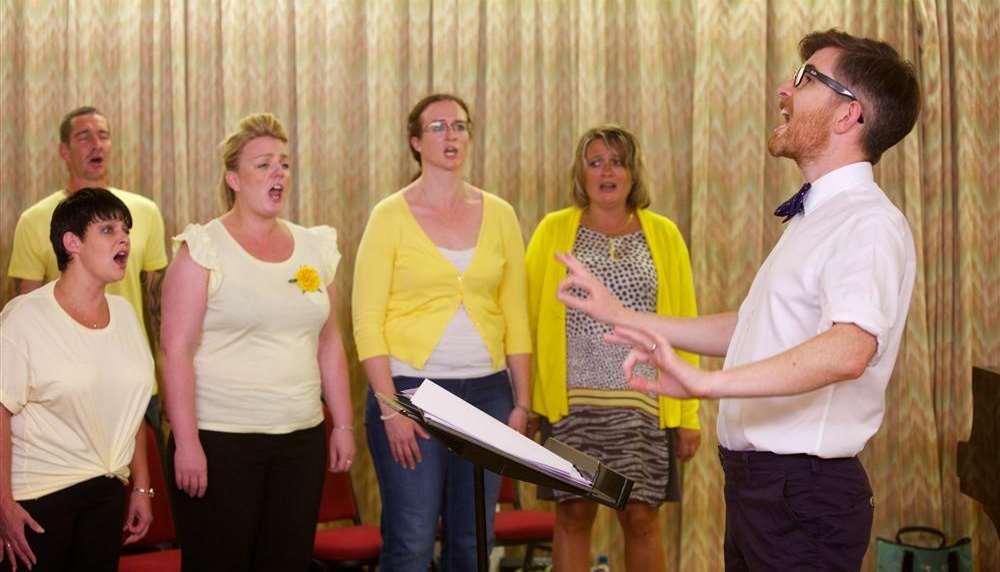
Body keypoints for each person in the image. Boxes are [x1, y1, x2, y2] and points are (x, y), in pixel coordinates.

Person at [557, 29, 920, 572]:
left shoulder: (866, 223)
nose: (784, 88)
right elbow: (752, 326)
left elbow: (849, 349)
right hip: (764, 488)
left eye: (804, 79)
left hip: (800, 495)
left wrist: (706, 384)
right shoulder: (815, 219)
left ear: (849, 115)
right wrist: (622, 315)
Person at [159, 112, 355, 570]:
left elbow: (330, 342)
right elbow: (175, 352)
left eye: (283, 164)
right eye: (263, 164)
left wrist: (342, 424)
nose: (278, 174)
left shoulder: (315, 247)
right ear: (233, 178)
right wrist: (187, 442)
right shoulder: (202, 248)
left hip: (299, 439)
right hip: (221, 440)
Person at [352, 93, 532, 572]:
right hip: (411, 392)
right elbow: (366, 320)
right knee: (411, 539)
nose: (451, 135)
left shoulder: (501, 214)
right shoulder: (388, 216)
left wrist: (522, 402)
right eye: (438, 127)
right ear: (415, 142)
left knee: (474, 539)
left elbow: (515, 313)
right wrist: (391, 409)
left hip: (489, 392)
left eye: (460, 126)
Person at [525, 125, 700, 572]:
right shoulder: (553, 231)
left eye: (617, 161)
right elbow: (527, 319)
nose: (607, 171)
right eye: (595, 161)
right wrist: (525, 401)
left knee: (641, 517)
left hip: (645, 402)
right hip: (571, 405)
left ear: (632, 172)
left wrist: (689, 415)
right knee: (572, 514)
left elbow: (684, 324)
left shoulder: (663, 235)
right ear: (581, 173)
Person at [0, 188, 154, 571]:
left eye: (126, 229)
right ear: (72, 243)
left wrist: (142, 487)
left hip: (106, 493)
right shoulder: (24, 317)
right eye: (107, 229)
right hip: (38, 498)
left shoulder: (125, 314)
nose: (124, 238)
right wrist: (2, 504)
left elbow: (132, 410)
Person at [7, 106, 169, 440]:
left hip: (135, 379)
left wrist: (167, 383)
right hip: (68, 384)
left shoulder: (143, 212)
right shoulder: (34, 219)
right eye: (84, 137)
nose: (96, 144)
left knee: (146, 481)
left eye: (103, 136)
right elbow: (24, 313)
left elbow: (161, 310)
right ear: (64, 151)